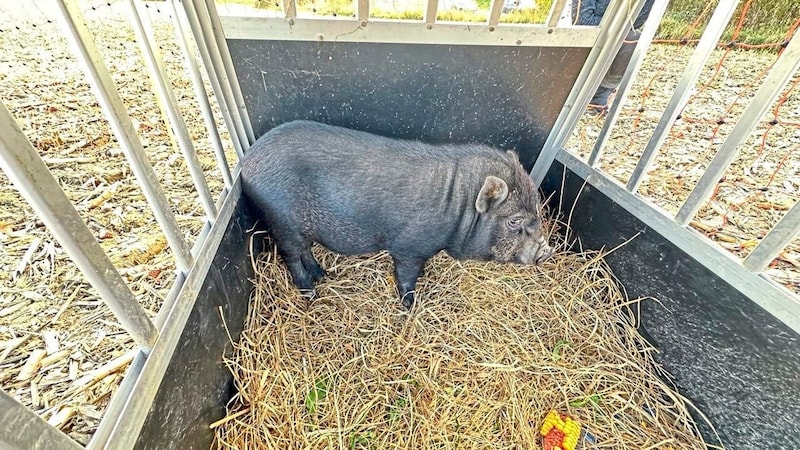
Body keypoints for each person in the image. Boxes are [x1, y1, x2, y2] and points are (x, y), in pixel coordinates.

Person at [571, 0, 656, 114]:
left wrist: (616, 26)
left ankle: (600, 94)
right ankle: (578, 92)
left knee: (634, 37)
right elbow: (582, 22)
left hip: (612, 38)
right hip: (571, 35)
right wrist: (621, 24)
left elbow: (635, 23)